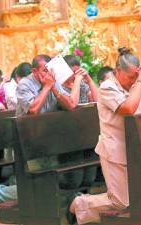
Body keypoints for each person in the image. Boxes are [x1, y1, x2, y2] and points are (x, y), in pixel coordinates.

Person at [67, 47, 141, 224]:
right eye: (130, 77)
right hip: (115, 149)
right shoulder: (107, 87)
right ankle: (77, 203)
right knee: (120, 202)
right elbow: (128, 109)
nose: (133, 81)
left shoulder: (139, 83)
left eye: (136, 77)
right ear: (118, 71)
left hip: (137, 147)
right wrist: (140, 80)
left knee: (138, 194)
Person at [0, 54, 76, 214]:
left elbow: (70, 105)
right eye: (44, 70)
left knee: (51, 180)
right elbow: (33, 110)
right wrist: (47, 87)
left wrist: (54, 87)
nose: (49, 73)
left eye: (50, 69)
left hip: (50, 137)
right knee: (37, 182)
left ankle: (52, 209)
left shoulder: (52, 80)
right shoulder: (24, 84)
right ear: (35, 71)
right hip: (29, 139)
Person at [57, 55, 99, 189]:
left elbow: (98, 100)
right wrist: (77, 81)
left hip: (87, 133)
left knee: (89, 177)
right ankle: (72, 202)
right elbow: (72, 103)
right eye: (72, 72)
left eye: (77, 71)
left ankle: (83, 201)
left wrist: (89, 80)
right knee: (74, 179)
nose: (75, 75)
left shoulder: (81, 83)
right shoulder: (58, 87)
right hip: (69, 136)